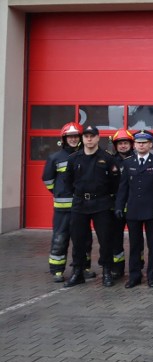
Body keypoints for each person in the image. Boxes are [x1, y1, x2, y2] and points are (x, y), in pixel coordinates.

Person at [63, 125, 121, 288]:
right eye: (86, 136)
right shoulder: (74, 158)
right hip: (80, 204)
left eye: (92, 136)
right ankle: (78, 272)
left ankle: (107, 272)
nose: (89, 139)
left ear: (98, 138)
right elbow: (68, 182)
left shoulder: (107, 158)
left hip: (101, 204)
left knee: (105, 240)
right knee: (78, 240)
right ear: (83, 138)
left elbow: (116, 183)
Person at [114, 130, 153, 288]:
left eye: (144, 142)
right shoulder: (128, 162)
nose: (141, 145)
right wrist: (119, 206)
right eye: (138, 143)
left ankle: (152, 276)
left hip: (152, 210)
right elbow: (123, 188)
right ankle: (134, 276)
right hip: (133, 210)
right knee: (135, 244)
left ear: (150, 144)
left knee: (152, 245)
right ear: (134, 144)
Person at [43, 121, 93, 283]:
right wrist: (59, 193)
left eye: (75, 136)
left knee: (84, 239)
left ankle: (83, 268)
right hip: (62, 209)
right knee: (60, 238)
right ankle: (57, 270)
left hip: (82, 207)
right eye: (69, 137)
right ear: (64, 138)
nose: (72, 139)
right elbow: (48, 180)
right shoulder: (55, 158)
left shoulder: (85, 155)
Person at [108, 128, 135, 279]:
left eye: (125, 143)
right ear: (115, 145)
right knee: (115, 238)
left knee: (135, 238)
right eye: (120, 143)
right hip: (116, 206)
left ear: (131, 144)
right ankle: (117, 267)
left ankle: (137, 265)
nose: (123, 146)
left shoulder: (138, 159)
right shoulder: (110, 162)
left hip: (133, 206)